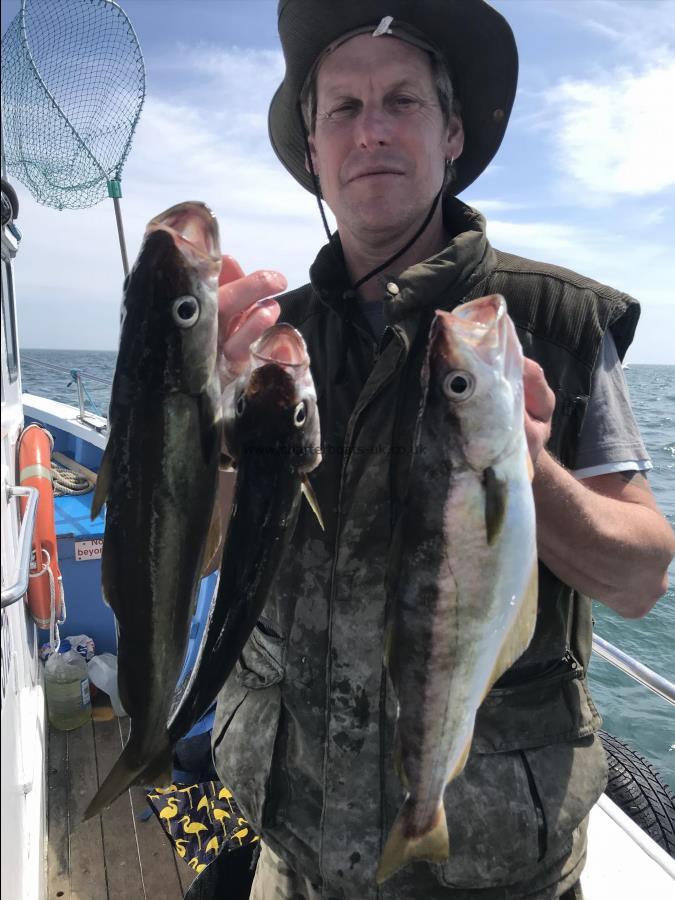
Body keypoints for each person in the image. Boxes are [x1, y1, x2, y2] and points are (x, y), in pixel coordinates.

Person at [210, 2, 675, 898]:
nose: (371, 129)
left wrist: (520, 468)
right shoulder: (272, 346)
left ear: (452, 131)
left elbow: (639, 578)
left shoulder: (553, 326)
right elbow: (203, 560)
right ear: (312, 150)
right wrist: (205, 438)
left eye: (402, 101)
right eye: (341, 109)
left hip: (496, 870)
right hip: (294, 853)